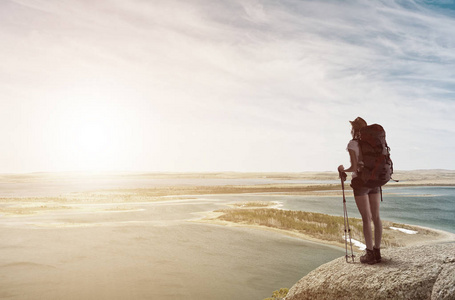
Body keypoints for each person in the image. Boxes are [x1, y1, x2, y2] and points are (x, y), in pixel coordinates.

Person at [338, 117, 382, 264]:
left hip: (361, 183)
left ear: (354, 129)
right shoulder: (373, 143)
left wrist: (342, 169)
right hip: (375, 181)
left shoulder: (353, 144)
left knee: (366, 218)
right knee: (376, 217)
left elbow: (355, 167)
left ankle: (369, 254)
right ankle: (377, 251)